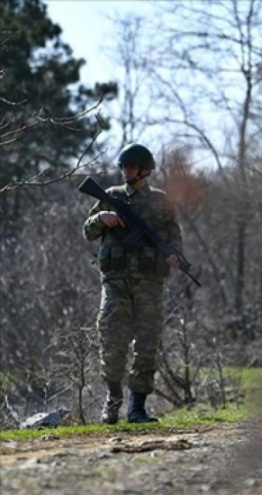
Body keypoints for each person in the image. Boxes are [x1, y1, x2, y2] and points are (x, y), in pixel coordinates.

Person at [83, 144, 182, 424]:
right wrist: (100, 218)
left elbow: (174, 236)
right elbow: (88, 232)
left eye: (132, 167)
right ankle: (112, 401)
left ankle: (137, 407)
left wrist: (175, 256)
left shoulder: (162, 202)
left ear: (145, 170)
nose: (126, 171)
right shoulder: (110, 197)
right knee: (112, 341)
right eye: (123, 167)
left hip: (150, 283)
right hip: (115, 282)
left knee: (147, 344)